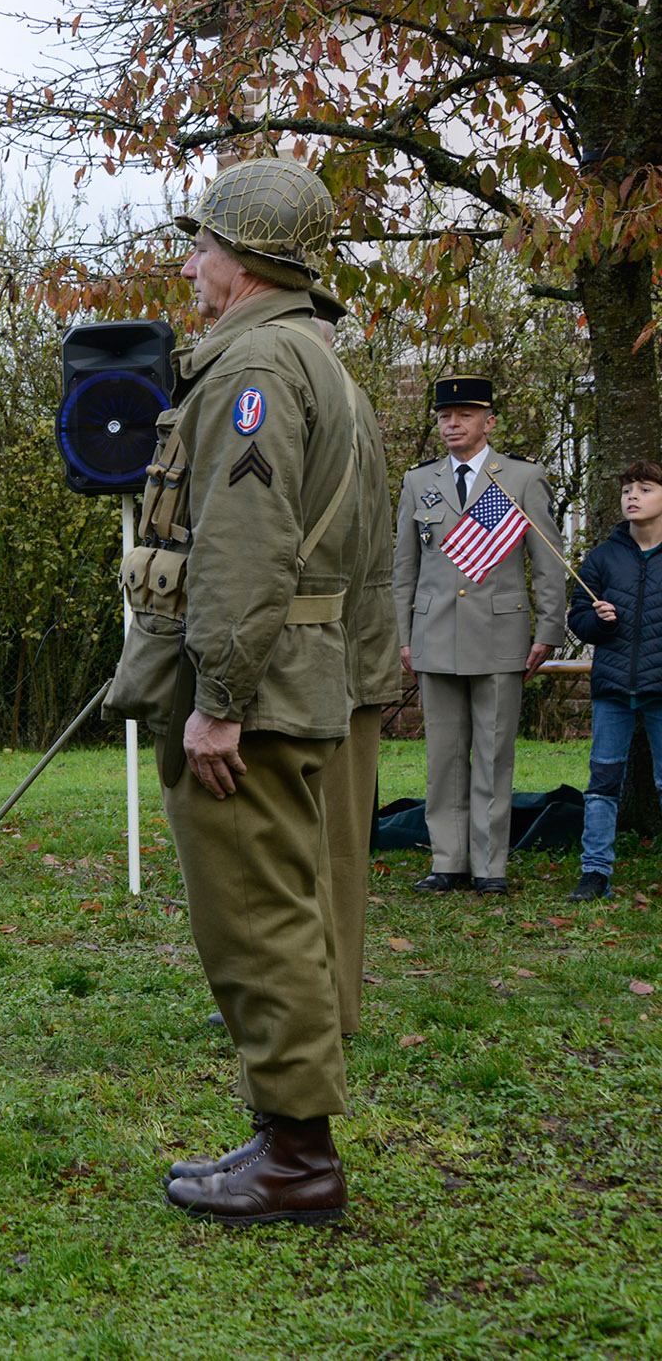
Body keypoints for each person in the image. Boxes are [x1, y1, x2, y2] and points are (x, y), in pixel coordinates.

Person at [106, 158, 363, 1224]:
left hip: (250, 698)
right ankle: (280, 1134)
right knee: (290, 913)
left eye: (202, 245)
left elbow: (243, 550)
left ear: (248, 263)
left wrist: (217, 697)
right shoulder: (319, 360)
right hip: (303, 681)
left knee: (254, 921)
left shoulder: (255, 365)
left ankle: (296, 1156)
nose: (188, 262)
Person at [392, 376, 566, 896]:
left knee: (493, 755)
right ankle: (448, 861)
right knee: (444, 757)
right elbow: (404, 567)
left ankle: (491, 867)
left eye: (464, 415)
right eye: (445, 416)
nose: (452, 424)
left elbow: (548, 563)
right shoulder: (418, 482)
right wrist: (404, 634)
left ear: (488, 422)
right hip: (435, 634)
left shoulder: (520, 477)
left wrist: (551, 630)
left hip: (499, 633)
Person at [313, 307, 400, 1036]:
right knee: (327, 844)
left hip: (332, 652)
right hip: (345, 650)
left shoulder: (325, 399)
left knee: (332, 844)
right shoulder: (347, 396)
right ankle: (316, 1001)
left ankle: (324, 1008)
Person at [565, 460, 662, 902]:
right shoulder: (602, 557)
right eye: (627, 490)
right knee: (602, 783)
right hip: (612, 691)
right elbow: (579, 620)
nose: (633, 496)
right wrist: (598, 621)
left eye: (644, 488)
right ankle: (595, 873)